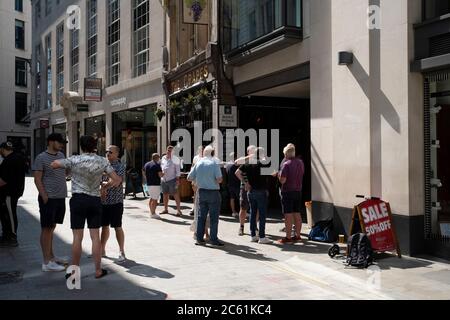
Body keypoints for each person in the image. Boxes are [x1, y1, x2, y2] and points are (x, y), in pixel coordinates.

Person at [51, 136, 122, 280]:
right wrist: (105, 186)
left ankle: (74, 272)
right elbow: (117, 179)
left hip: (78, 199)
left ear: (82, 147)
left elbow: (54, 164)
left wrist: (69, 170)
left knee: (77, 238)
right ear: (95, 147)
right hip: (95, 200)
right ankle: (97, 270)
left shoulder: (74, 159)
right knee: (95, 237)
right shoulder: (102, 161)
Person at [33, 133, 69, 272]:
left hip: (60, 197)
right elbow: (37, 179)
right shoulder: (41, 157)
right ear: (50, 142)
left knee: (52, 227)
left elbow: (64, 174)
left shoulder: (61, 156)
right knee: (46, 229)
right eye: (59, 142)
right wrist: (44, 196)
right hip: (49, 198)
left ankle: (52, 257)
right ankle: (46, 262)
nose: (61, 145)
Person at [188, 146, 224, 247]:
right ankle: (213, 239)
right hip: (213, 192)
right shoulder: (214, 163)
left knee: (201, 217)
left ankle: (199, 239)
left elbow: (189, 177)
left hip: (201, 192)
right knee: (214, 217)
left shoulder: (198, 163)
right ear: (212, 153)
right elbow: (219, 179)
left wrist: (200, 180)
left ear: (204, 153)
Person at [236, 147, 272, 244]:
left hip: (251, 191)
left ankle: (253, 236)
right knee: (262, 214)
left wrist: (246, 183)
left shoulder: (248, 163)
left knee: (252, 213)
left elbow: (237, 172)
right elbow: (273, 172)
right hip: (261, 191)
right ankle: (262, 237)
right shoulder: (263, 163)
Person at [100, 146, 126, 263]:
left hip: (116, 201)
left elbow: (117, 181)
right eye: (106, 151)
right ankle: (102, 250)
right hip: (103, 201)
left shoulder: (119, 166)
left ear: (116, 154)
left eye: (110, 152)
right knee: (104, 226)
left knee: (117, 226)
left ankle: (121, 251)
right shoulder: (103, 165)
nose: (108, 153)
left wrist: (105, 186)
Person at [0, 141, 27, 247]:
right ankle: (6, 235)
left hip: (9, 193)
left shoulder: (9, 160)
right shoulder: (18, 157)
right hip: (14, 192)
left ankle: (12, 238)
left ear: (2, 149)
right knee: (6, 214)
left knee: (10, 215)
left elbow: (4, 180)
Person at [278, 145, 305, 244]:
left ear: (286, 154)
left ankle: (288, 237)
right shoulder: (301, 162)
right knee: (297, 213)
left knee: (288, 215)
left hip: (287, 191)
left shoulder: (286, 164)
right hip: (298, 191)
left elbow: (283, 180)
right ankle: (298, 236)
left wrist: (278, 175)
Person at [160, 146, 182, 216]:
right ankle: (165, 209)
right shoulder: (163, 158)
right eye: (168, 150)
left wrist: (177, 180)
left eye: (171, 151)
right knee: (165, 194)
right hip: (164, 179)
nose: (169, 152)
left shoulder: (176, 159)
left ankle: (179, 210)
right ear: (166, 150)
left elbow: (178, 171)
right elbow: (161, 167)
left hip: (172, 179)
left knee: (175, 194)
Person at [143, 153, 164, 219]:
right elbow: (160, 175)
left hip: (149, 183)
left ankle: (151, 212)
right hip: (155, 184)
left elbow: (143, 171)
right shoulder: (157, 165)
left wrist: (146, 178)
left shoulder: (147, 164)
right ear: (157, 158)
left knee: (152, 198)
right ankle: (153, 213)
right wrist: (164, 173)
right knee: (155, 199)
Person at [189, 146, 204, 216]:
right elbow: (192, 167)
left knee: (203, 193)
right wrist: (191, 177)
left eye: (202, 150)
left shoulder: (207, 158)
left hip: (204, 179)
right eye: (200, 150)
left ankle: (202, 209)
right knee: (195, 194)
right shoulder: (196, 157)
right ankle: (194, 208)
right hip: (196, 178)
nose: (201, 151)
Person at [226, 152, 241, 218]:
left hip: (230, 184)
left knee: (232, 198)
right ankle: (242, 212)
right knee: (240, 199)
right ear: (235, 157)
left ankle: (233, 212)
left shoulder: (227, 165)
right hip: (237, 184)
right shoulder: (236, 165)